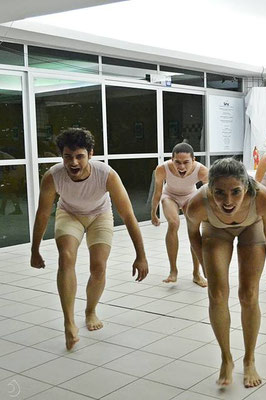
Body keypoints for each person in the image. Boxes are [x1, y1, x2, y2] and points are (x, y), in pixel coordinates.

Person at [30, 128, 149, 350]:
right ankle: (69, 322)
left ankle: (90, 310)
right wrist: (34, 250)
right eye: (67, 157)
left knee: (98, 266)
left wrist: (141, 255)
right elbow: (43, 214)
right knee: (66, 258)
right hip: (69, 214)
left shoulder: (106, 174)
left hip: (99, 215)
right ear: (61, 156)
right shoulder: (53, 176)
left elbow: (128, 215)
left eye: (79, 156)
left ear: (90, 154)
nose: (73, 162)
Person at [185, 158, 266, 388]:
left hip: (252, 228)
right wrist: (204, 264)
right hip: (215, 231)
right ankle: (226, 357)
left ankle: (249, 359)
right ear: (210, 189)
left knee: (249, 295)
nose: (228, 201)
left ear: (245, 187)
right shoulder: (197, 203)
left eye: (235, 192)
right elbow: (193, 234)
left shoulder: (263, 198)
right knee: (217, 294)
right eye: (219, 193)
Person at [151, 142, 208, 285]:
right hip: (170, 195)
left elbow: (210, 194)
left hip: (190, 196)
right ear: (172, 160)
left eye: (186, 162)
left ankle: (196, 273)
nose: (181, 167)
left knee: (194, 229)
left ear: (193, 160)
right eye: (177, 162)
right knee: (174, 223)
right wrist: (153, 213)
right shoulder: (162, 169)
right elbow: (157, 193)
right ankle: (173, 270)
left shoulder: (201, 171)